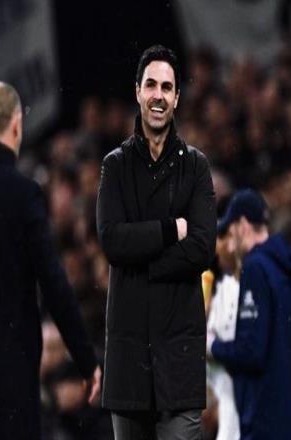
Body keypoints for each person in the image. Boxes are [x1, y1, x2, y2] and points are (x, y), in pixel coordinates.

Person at [0, 82, 101, 440]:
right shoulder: (25, 194)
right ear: (17, 125)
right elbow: (54, 284)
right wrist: (86, 359)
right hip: (15, 375)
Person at [96, 45, 216, 439]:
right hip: (129, 364)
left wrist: (141, 263)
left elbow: (202, 248)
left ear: (177, 97)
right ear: (137, 92)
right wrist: (167, 231)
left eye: (167, 87)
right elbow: (112, 241)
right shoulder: (115, 166)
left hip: (179, 362)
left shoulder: (196, 166)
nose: (158, 95)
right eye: (151, 85)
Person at [209, 189, 291, 440]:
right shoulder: (284, 269)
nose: (231, 241)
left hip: (263, 420)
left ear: (242, 225)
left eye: (231, 231)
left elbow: (251, 351)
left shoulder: (255, 268)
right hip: (287, 418)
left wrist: (212, 346)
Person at [206, 227, 241, 440]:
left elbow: (246, 350)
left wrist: (210, 346)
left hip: (243, 411)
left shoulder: (253, 287)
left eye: (222, 237)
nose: (218, 245)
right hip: (224, 412)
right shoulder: (220, 288)